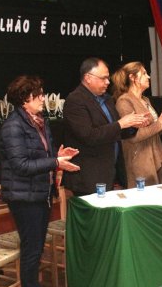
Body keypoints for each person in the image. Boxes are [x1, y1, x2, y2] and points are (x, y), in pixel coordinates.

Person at [0, 75, 80, 287]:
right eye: (39, 95)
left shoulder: (40, 122)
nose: (43, 99)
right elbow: (21, 165)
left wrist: (59, 155)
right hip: (24, 197)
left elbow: (42, 156)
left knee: (36, 247)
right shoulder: (13, 126)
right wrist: (56, 162)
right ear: (25, 98)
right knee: (32, 249)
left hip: (40, 193)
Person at [62, 57, 148, 195]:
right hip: (89, 176)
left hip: (111, 171)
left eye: (108, 78)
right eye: (103, 78)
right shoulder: (75, 100)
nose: (108, 82)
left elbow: (117, 132)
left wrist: (134, 124)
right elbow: (88, 136)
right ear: (88, 78)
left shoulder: (107, 99)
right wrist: (121, 124)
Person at [113, 62, 162, 188]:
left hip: (158, 158)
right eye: (144, 73)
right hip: (140, 162)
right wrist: (160, 122)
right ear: (132, 78)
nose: (148, 76)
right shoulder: (124, 101)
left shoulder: (145, 100)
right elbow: (133, 137)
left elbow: (155, 132)